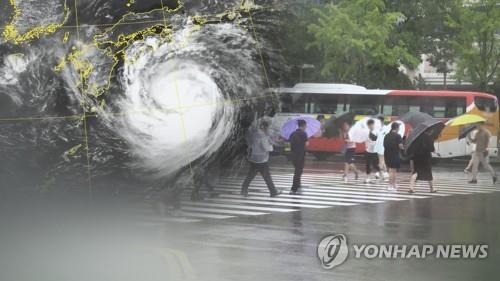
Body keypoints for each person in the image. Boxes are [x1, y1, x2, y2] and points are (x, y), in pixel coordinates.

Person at [241, 120, 281, 197]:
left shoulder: (255, 134)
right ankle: (273, 192)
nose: (268, 129)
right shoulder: (262, 136)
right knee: (267, 177)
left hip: (253, 158)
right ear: (264, 127)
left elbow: (250, 143)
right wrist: (271, 147)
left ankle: (243, 190)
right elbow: (266, 148)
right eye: (267, 128)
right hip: (261, 160)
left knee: (251, 175)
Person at [289, 119, 308, 195]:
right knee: (298, 172)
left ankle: (298, 184)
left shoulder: (292, 133)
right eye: (306, 126)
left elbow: (289, 143)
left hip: (293, 156)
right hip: (300, 156)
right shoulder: (304, 134)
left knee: (298, 171)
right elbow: (307, 144)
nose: (306, 127)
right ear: (303, 126)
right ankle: (293, 189)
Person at [384, 122, 403, 191]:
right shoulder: (398, 136)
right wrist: (402, 147)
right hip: (395, 155)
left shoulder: (387, 135)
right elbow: (400, 146)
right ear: (397, 128)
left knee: (393, 170)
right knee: (392, 171)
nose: (399, 129)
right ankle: (390, 185)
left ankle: (394, 184)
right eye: (399, 128)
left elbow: (384, 145)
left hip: (387, 155)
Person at [365, 119, 380, 183]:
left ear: (373, 125)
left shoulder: (377, 131)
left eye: (371, 125)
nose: (370, 126)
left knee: (375, 164)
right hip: (368, 150)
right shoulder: (366, 131)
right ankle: (368, 178)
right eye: (369, 125)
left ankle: (378, 171)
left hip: (375, 151)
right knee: (368, 164)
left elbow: (377, 140)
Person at [375, 116, 389, 180]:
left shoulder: (386, 128)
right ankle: (383, 173)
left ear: (382, 121)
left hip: (383, 145)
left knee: (381, 160)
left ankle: (380, 173)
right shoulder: (376, 128)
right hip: (378, 146)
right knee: (381, 160)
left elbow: (387, 136)